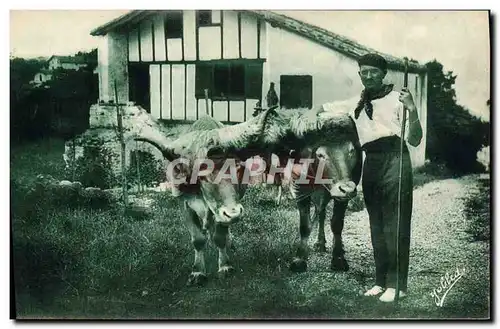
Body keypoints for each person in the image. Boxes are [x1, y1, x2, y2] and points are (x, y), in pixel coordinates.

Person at [348, 53, 423, 302]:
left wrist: (411, 109)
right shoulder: (357, 104)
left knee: (395, 223)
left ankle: (397, 284)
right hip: (372, 162)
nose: (368, 76)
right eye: (364, 72)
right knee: (376, 225)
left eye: (373, 72)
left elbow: (414, 139)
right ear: (360, 75)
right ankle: (381, 282)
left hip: (395, 159)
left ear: (383, 75)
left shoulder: (398, 99)